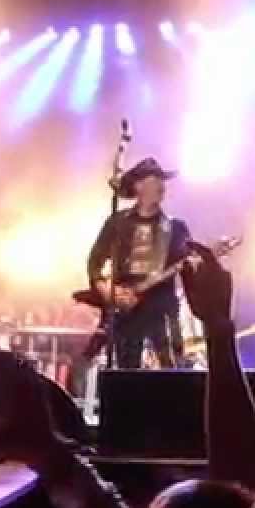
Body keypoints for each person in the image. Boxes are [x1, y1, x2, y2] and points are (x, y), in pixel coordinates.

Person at [86, 157, 190, 369]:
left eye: (163, 180)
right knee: (126, 371)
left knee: (171, 370)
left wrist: (197, 265)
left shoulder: (175, 227)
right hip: (125, 309)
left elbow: (187, 264)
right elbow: (94, 261)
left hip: (162, 309)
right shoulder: (117, 223)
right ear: (139, 185)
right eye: (156, 179)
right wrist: (106, 290)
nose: (162, 186)